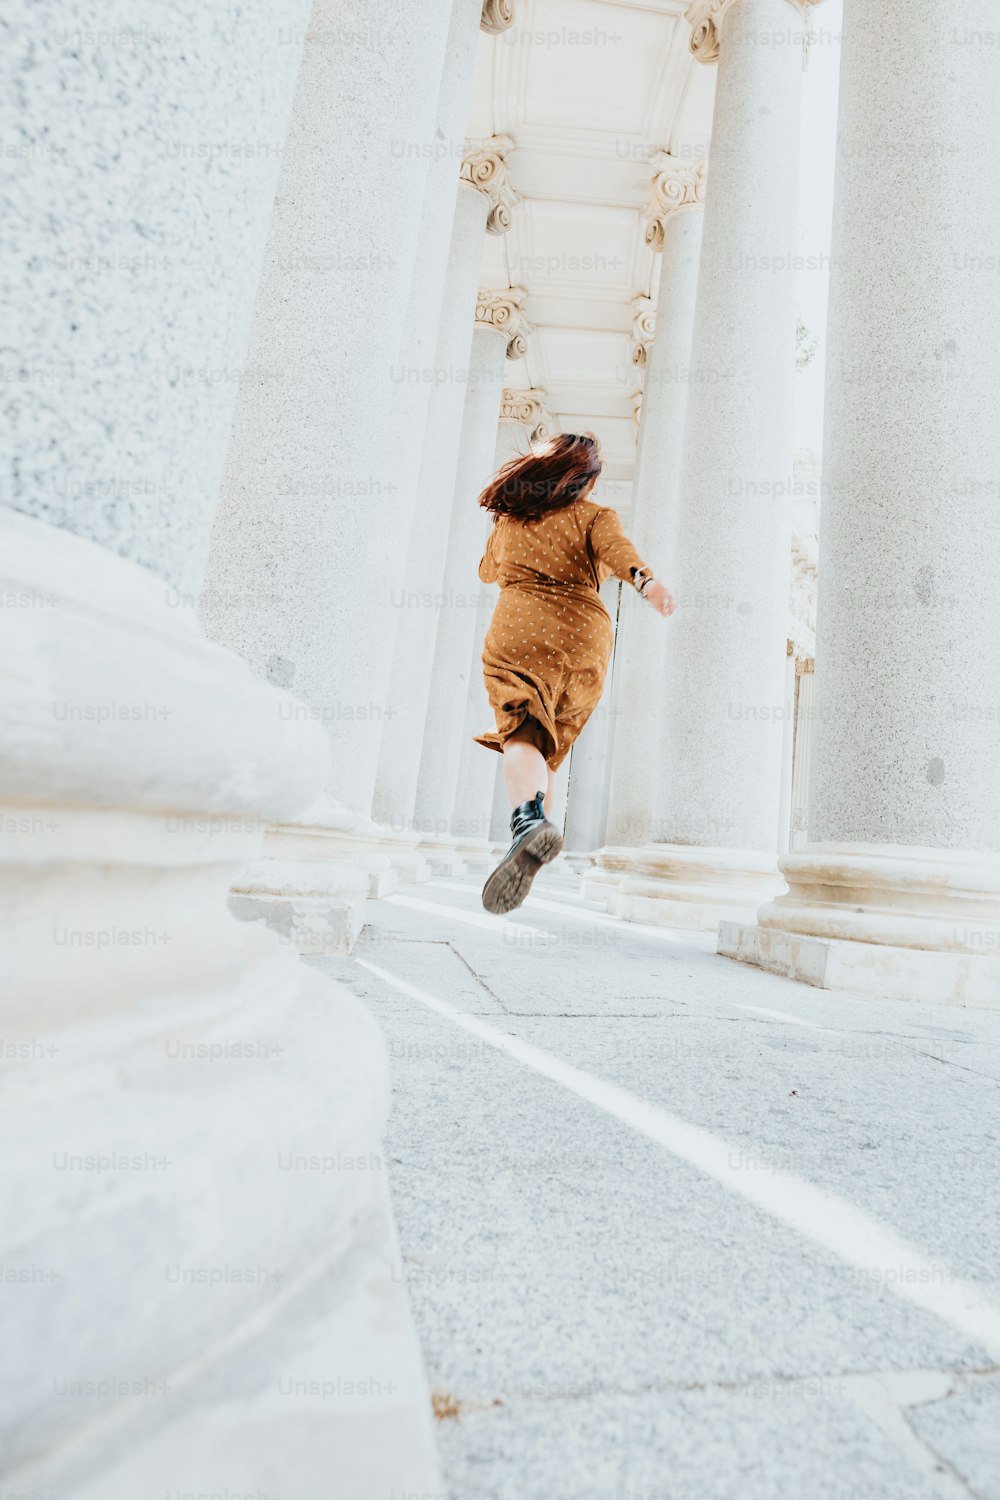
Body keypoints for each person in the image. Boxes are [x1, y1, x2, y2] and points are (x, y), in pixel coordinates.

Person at [473, 432, 674, 914]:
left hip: (520, 628)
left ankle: (528, 822)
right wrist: (647, 583)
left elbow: (486, 571)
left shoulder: (509, 520)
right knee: (549, 744)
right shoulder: (595, 517)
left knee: (522, 730)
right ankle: (535, 819)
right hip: (585, 638)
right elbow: (619, 553)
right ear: (585, 481)